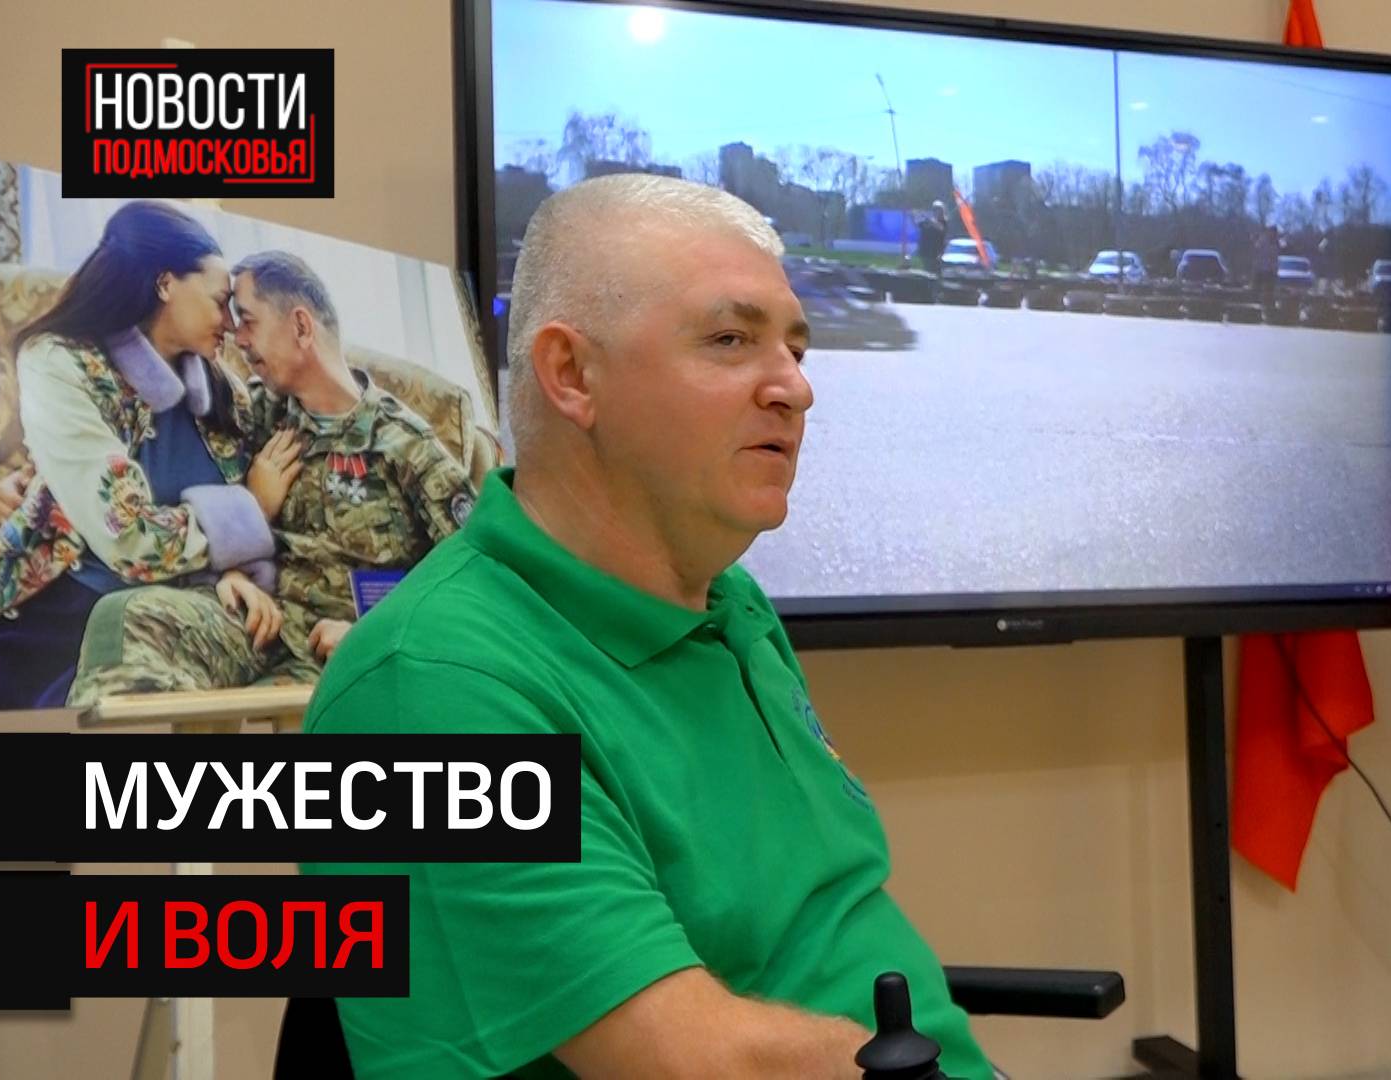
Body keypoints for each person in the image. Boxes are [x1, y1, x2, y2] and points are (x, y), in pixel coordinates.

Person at [299, 174, 991, 1079]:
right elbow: (690, 1062)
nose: (795, 388)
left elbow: (813, 928)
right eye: (731, 339)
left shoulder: (730, 603)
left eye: (795, 348)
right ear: (572, 374)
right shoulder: (428, 688)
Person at [63, 250, 478, 703]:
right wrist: (227, 573)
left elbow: (477, 576)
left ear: (300, 327)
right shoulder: (254, 413)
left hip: (341, 653)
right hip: (254, 624)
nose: (236, 338)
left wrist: (374, 634)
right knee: (128, 617)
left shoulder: (405, 444)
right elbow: (191, 500)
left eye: (247, 321)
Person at [0, 201, 298, 710]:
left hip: (170, 619)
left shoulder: (228, 397)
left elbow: (246, 543)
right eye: (220, 301)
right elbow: (127, 536)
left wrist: (232, 571)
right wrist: (251, 510)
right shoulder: (59, 363)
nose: (229, 323)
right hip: (54, 611)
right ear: (166, 283)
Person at [916, 199, 948, 276]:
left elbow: (941, 228)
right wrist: (913, 216)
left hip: (936, 252)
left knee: (935, 272)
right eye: (935, 210)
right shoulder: (928, 222)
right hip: (925, 251)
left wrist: (930, 220)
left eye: (938, 210)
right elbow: (919, 225)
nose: (936, 212)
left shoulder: (943, 222)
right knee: (927, 272)